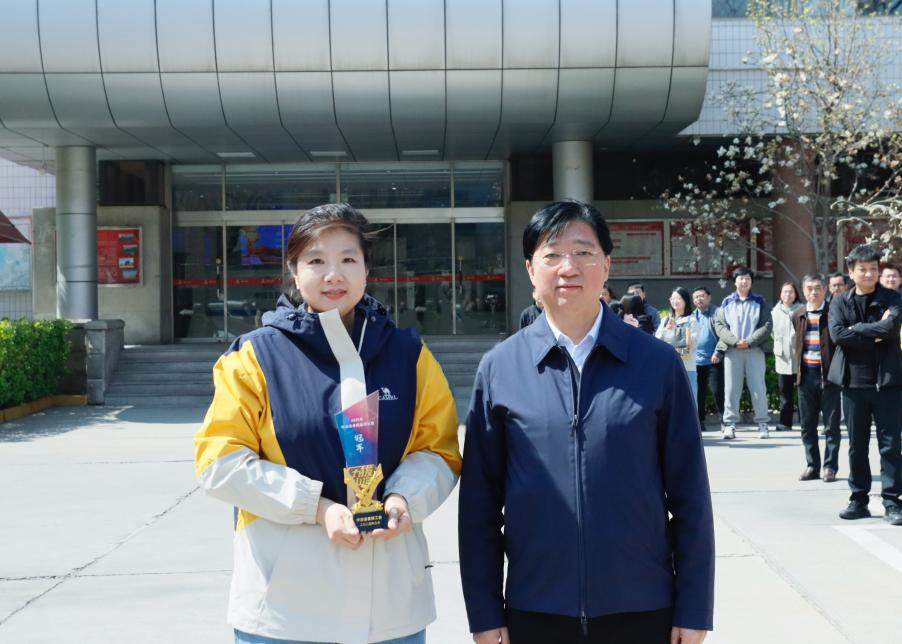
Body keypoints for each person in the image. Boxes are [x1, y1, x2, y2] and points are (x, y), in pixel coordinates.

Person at [194, 203, 462, 643]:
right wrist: (316, 508)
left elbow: (438, 450)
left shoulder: (409, 355)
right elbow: (220, 464)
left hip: (391, 611)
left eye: (348, 259)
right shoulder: (254, 357)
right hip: (285, 614)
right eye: (316, 260)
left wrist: (403, 499)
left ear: (366, 269)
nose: (333, 274)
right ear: (294, 271)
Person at [459, 200, 714, 644]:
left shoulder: (656, 364)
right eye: (552, 254)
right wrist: (483, 611)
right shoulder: (500, 368)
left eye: (583, 252)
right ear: (530, 269)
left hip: (641, 608)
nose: (568, 267)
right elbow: (479, 506)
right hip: (535, 610)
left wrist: (694, 608)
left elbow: (690, 495)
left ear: (607, 265)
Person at [828, 245, 902, 525]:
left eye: (873, 269)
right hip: (853, 383)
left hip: (888, 382)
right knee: (856, 446)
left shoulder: (892, 298)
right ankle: (858, 499)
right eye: (863, 269)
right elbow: (837, 335)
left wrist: (857, 329)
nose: (869, 274)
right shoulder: (839, 301)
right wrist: (873, 334)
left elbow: (890, 329)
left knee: (890, 445)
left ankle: (892, 501)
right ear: (851, 272)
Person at [792, 273, 841, 483]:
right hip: (806, 376)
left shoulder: (834, 313)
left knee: (831, 426)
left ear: (825, 289)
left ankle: (830, 467)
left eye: (817, 288)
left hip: (829, 377)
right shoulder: (798, 314)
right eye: (809, 288)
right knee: (807, 425)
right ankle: (812, 465)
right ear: (803, 291)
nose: (813, 292)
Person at [714, 267, 773, 440]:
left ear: (751, 282)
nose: (744, 281)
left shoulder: (760, 301)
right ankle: (730, 424)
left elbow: (767, 325)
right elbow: (720, 326)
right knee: (731, 389)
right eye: (741, 278)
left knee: (758, 388)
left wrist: (749, 341)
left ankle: (763, 424)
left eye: (747, 278)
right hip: (733, 351)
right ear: (735, 282)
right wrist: (734, 341)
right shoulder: (727, 302)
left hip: (754, 350)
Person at [656, 287, 698, 402]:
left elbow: (693, 342)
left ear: (685, 301)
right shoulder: (665, 320)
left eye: (679, 298)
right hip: (668, 365)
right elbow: (657, 341)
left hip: (687, 366)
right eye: (673, 298)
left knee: (689, 399)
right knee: (670, 400)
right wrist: (666, 329)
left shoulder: (692, 320)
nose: (675, 301)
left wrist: (676, 329)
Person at [771, 281, 804, 431]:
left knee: (802, 392)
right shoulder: (775, 311)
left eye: (791, 292)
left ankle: (805, 422)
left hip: (799, 356)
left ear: (796, 294)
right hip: (782, 357)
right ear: (780, 294)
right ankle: (785, 422)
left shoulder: (802, 310)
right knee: (785, 393)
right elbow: (772, 333)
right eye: (785, 292)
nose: (788, 294)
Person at [692, 287, 725, 430]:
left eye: (702, 296)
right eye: (696, 297)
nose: (698, 299)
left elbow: (724, 334)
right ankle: (699, 421)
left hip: (714, 359)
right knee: (698, 393)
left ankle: (725, 421)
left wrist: (718, 352)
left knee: (718, 391)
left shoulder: (717, 312)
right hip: (695, 361)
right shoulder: (692, 315)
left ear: (709, 297)